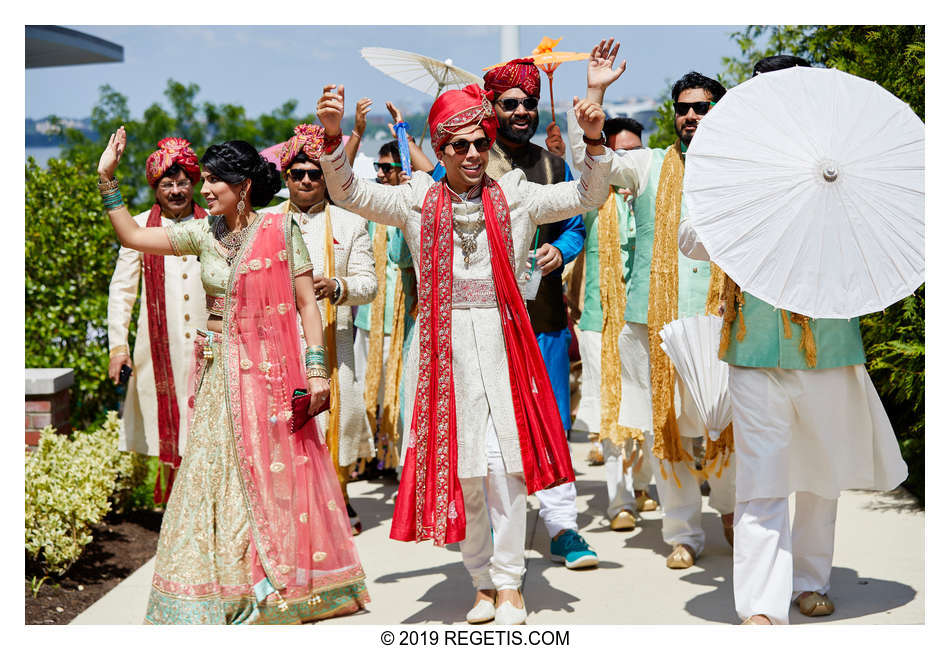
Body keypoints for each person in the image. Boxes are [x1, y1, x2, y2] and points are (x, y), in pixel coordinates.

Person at [315, 73, 611, 624]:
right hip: (443, 352)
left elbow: (586, 196)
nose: (473, 154)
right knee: (467, 474)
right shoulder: (416, 199)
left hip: (505, 347)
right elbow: (349, 192)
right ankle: (479, 582)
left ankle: (510, 584)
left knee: (507, 471)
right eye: (459, 145)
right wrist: (336, 139)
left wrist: (592, 142)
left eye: (480, 142)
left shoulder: (516, 195)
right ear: (442, 148)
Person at [97, 128, 369, 624]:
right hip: (220, 372)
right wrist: (107, 180)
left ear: (242, 185)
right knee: (214, 475)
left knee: (268, 475)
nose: (203, 190)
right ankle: (223, 584)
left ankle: (268, 581)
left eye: (214, 182)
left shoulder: (280, 228)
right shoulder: (203, 233)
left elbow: (307, 304)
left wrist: (317, 373)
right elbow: (133, 237)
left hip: (269, 371)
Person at [678, 53, 908, 625]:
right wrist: (742, 218)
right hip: (753, 344)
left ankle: (811, 581)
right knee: (763, 477)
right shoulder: (726, 162)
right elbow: (687, 240)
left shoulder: (843, 162)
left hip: (828, 343)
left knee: (820, 473)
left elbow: (874, 238)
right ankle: (761, 605)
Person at [572, 40, 736, 570]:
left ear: (720, 112)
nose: (691, 115)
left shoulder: (741, 173)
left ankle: (732, 512)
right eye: (683, 108)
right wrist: (595, 94)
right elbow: (594, 167)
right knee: (666, 428)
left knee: (727, 424)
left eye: (702, 107)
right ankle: (684, 532)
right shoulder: (647, 166)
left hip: (724, 321)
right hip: (655, 323)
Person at [483, 56, 597, 571]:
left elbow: (577, 223)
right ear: (492, 107)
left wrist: (563, 250)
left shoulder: (553, 164)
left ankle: (562, 526)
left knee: (551, 414)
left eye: (530, 102)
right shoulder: (468, 159)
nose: (524, 111)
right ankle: (493, 526)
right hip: (484, 320)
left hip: (544, 314)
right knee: (490, 423)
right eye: (512, 103)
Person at [272, 123, 378, 535]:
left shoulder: (350, 224)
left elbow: (368, 285)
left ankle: (339, 497)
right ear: (287, 176)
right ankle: (291, 508)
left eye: (315, 173)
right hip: (279, 343)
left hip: (334, 342)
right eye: (298, 173)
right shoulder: (265, 223)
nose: (306, 180)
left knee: (336, 423)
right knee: (283, 426)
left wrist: (338, 286)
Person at [565, 116, 658, 531]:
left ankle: (642, 484)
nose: (628, 158)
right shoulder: (592, 199)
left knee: (651, 406)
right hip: (599, 320)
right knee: (609, 407)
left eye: (635, 151)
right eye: (620, 152)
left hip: (647, 316)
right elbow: (577, 150)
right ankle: (618, 499)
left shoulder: (656, 195)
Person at [107, 137, 207, 502]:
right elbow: (122, 292)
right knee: (170, 422)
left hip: (206, 347)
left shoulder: (214, 225)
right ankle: (180, 506)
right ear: (156, 188)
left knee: (205, 424)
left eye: (183, 182)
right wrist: (118, 348)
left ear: (193, 183)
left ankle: (204, 500)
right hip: (157, 348)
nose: (177, 191)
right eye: (168, 184)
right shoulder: (137, 228)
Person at [353, 139, 417, 477]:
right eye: (378, 167)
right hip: (369, 314)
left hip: (403, 316)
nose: (380, 173)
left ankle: (394, 459)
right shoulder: (373, 207)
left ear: (402, 170)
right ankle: (367, 458)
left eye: (387, 167)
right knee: (366, 389)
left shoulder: (415, 205)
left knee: (399, 392)